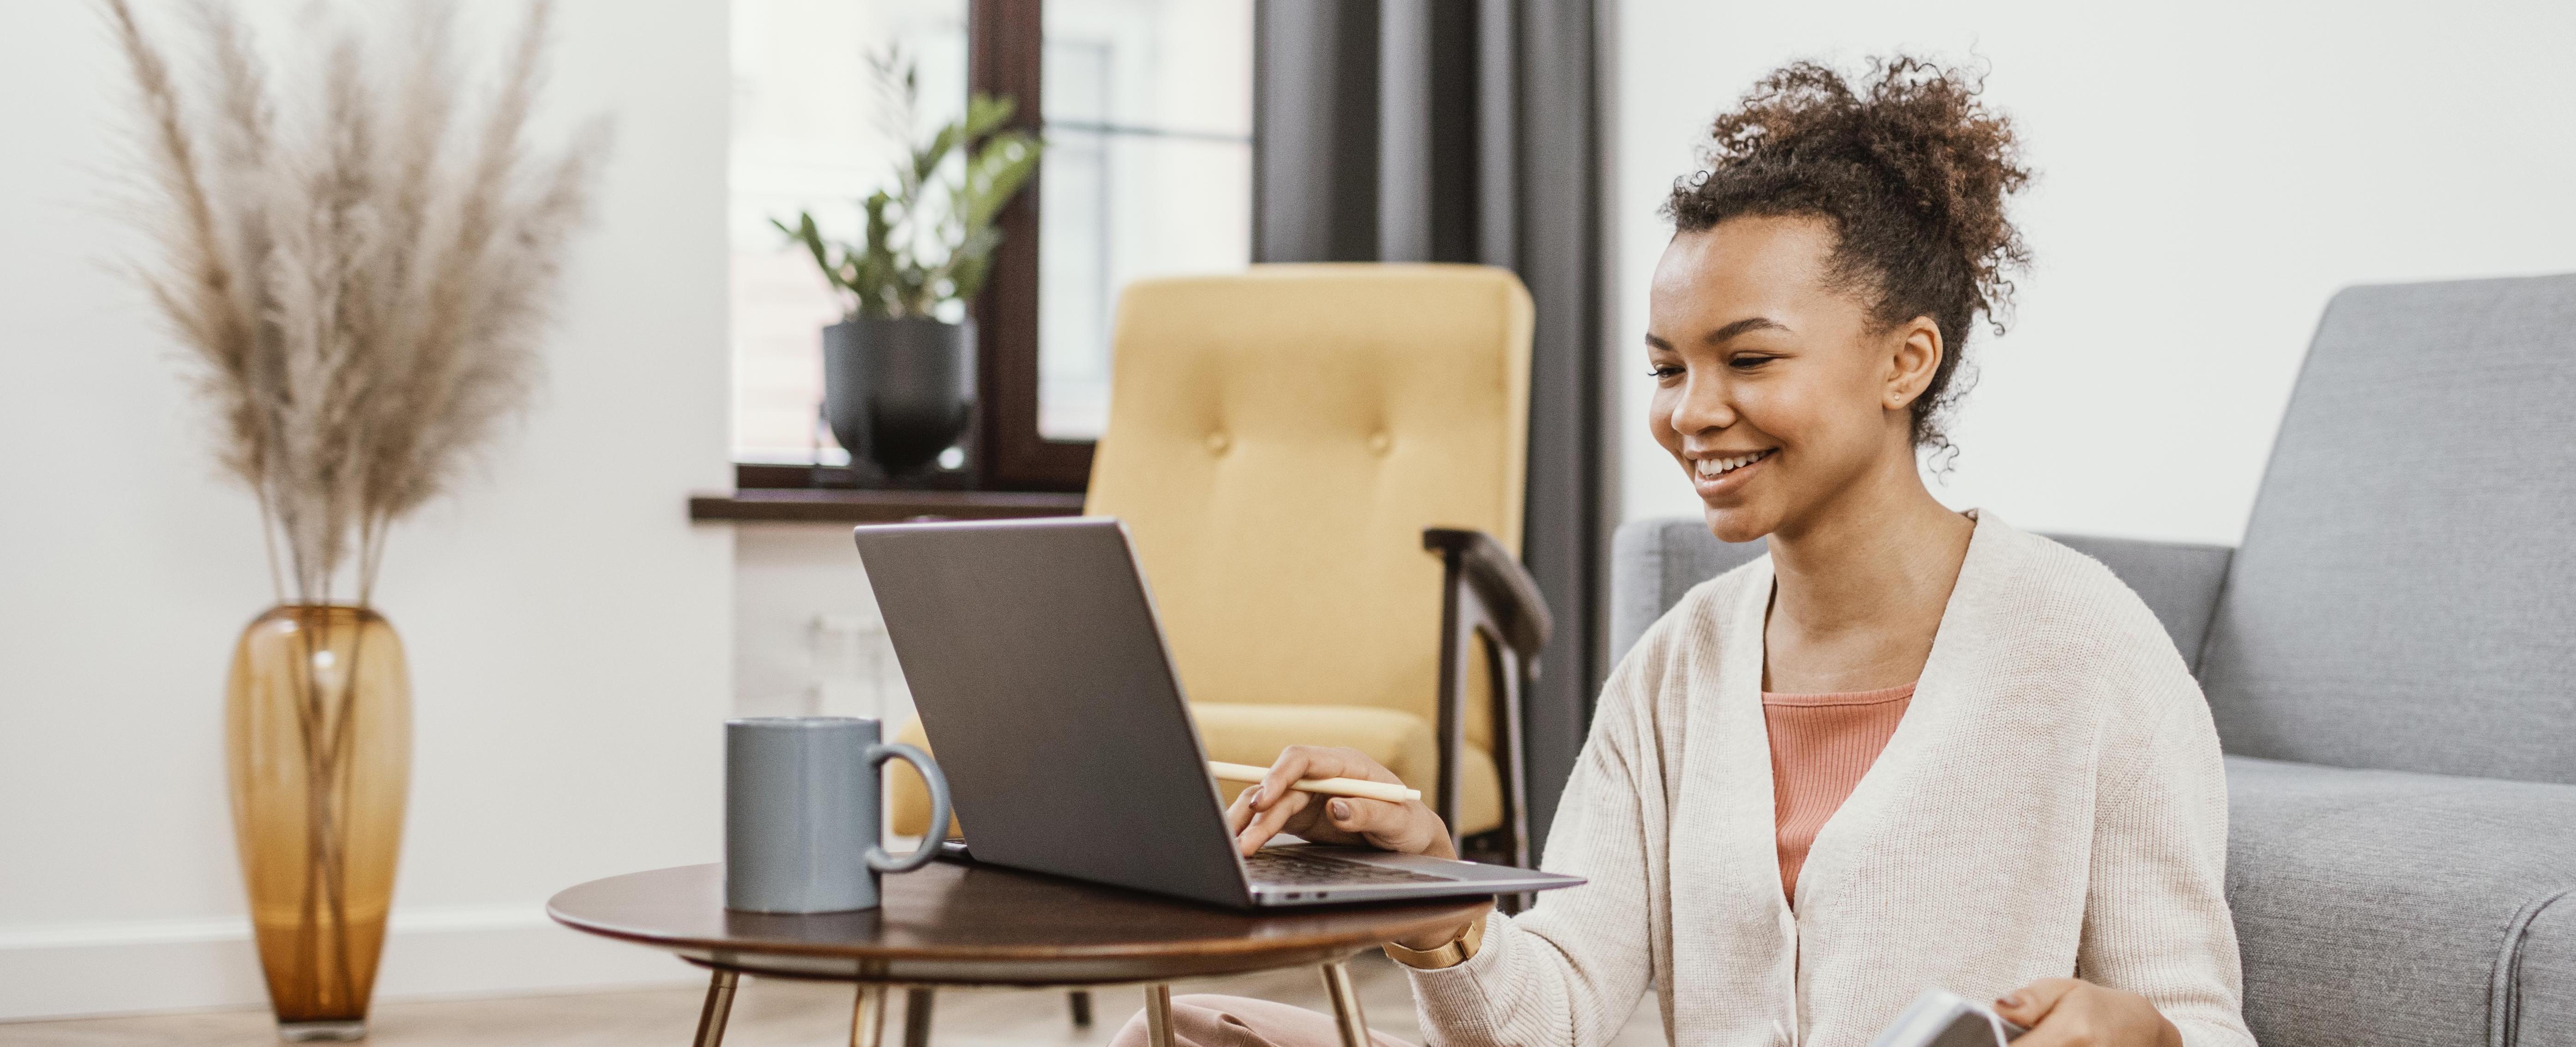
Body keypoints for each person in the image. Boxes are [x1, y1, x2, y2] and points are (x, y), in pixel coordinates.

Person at [1113, 56, 2252, 1047]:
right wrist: (1435, 900)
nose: (1691, 414)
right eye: (1667, 368)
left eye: (1749, 361)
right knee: (1178, 1034)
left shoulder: (2089, 647)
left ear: (1907, 362)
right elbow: (1550, 1012)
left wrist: (2147, 1038)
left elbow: (2202, 1028)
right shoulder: (1679, 668)